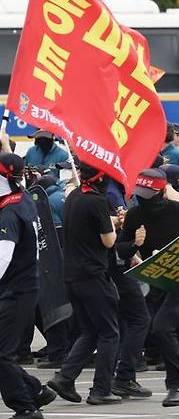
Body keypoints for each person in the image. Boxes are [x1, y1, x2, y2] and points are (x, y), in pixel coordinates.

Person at [118, 169, 179, 408]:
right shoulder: (134, 215)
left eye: (148, 194)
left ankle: (175, 386)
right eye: (140, 193)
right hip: (159, 282)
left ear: (163, 191)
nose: (143, 198)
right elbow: (121, 249)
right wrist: (135, 244)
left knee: (163, 327)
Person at [47, 163, 121, 406]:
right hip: (93, 274)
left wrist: (109, 221)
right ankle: (101, 389)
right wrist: (117, 225)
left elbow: (87, 225)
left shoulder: (74, 196)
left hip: (72, 275)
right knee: (109, 333)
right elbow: (108, 241)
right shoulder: (97, 201)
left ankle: (65, 377)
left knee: (90, 330)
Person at [0, 153, 56, 419]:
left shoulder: (9, 211)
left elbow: (2, 257)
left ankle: (25, 407)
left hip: (14, 290)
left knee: (2, 355)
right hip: (23, 286)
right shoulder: (21, 198)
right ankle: (35, 391)